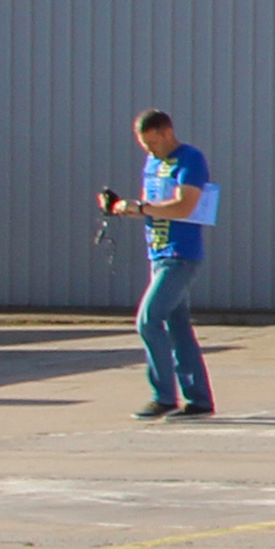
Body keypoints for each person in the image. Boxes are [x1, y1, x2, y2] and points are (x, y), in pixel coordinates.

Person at [98, 109, 217, 420]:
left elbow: (184, 205)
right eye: (144, 146)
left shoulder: (190, 159)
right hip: (158, 252)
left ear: (168, 132)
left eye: (153, 143)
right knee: (178, 329)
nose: (150, 151)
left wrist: (142, 207)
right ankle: (199, 400)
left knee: (148, 321)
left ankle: (163, 396)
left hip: (180, 255)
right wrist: (122, 207)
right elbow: (150, 208)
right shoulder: (155, 162)